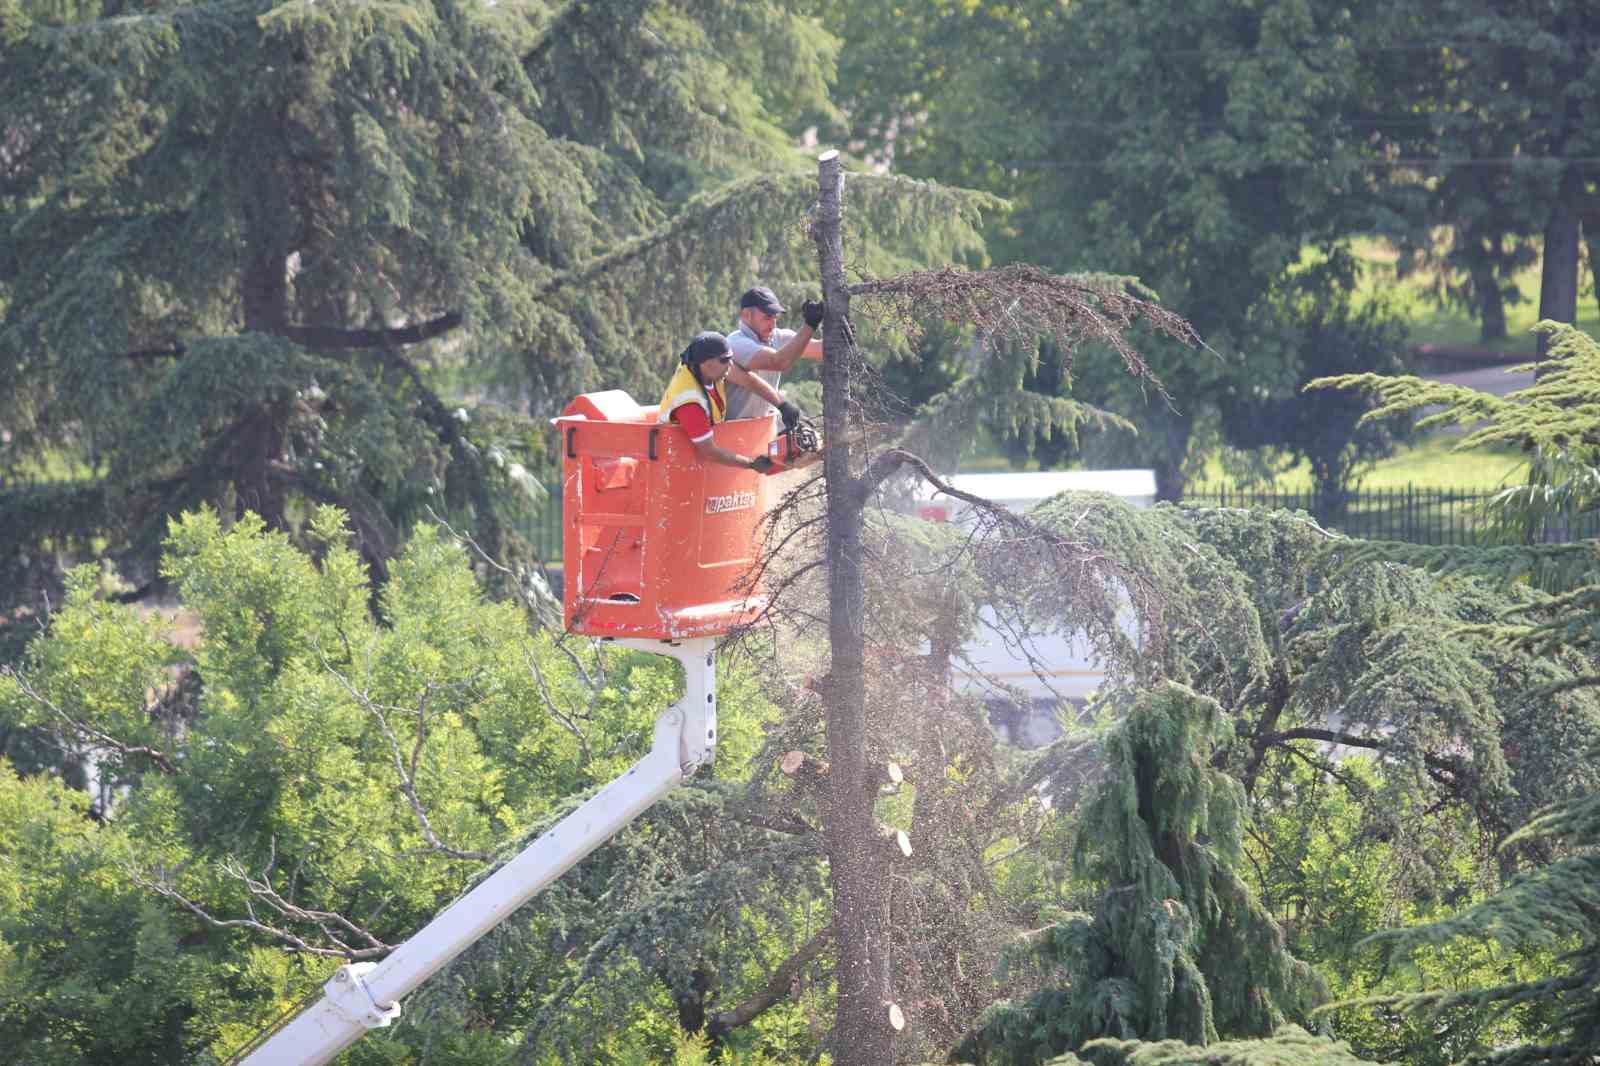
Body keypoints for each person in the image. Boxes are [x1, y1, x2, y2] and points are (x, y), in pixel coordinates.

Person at [659, 331, 802, 471]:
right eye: (725, 360)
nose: (730, 365)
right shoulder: (689, 403)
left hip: (703, 455)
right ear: (705, 363)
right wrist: (751, 464)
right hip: (680, 464)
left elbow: (749, 380)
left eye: (730, 358)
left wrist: (782, 405)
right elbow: (710, 452)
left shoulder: (710, 368)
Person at [723, 285, 825, 422]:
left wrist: (840, 334)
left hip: (764, 427)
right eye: (767, 317)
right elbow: (779, 362)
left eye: (774, 317)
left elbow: (820, 350)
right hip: (734, 429)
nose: (772, 324)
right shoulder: (735, 343)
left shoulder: (778, 337)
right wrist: (810, 325)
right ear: (746, 315)